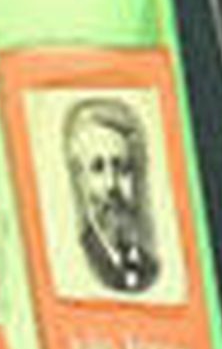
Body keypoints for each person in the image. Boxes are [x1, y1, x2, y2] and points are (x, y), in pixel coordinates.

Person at [63, 96, 159, 295]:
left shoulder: (151, 267)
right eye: (97, 168)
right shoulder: (75, 264)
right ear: (80, 180)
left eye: (122, 168)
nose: (112, 185)